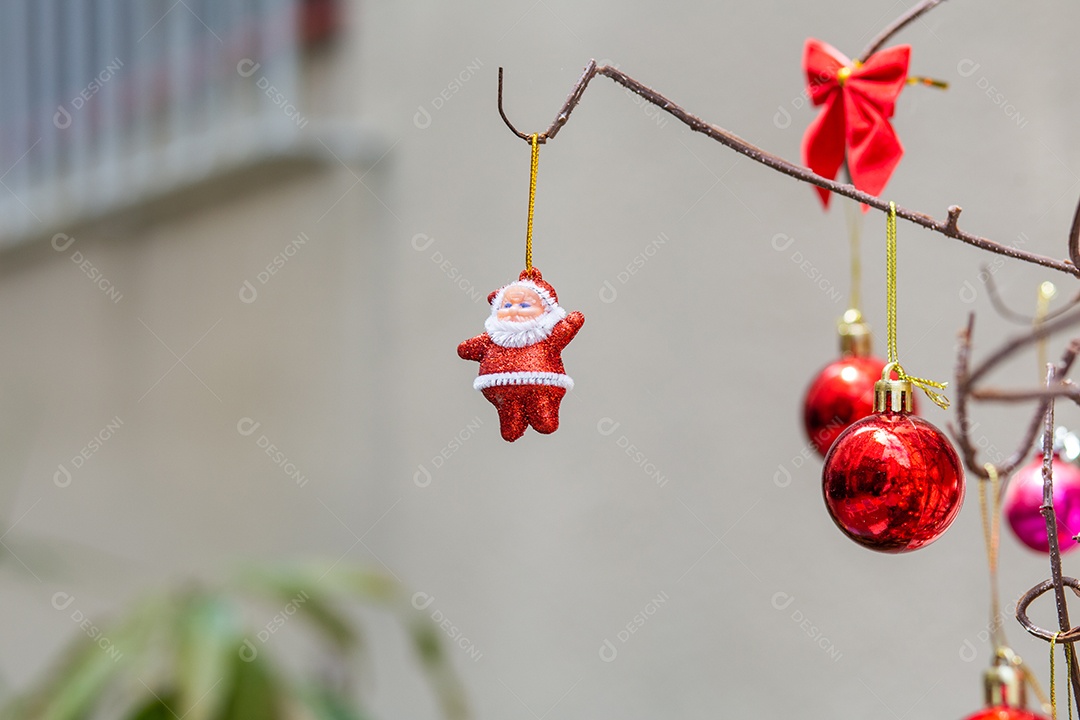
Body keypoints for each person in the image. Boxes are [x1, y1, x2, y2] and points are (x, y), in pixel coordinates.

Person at [458, 268, 585, 442]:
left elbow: (564, 331)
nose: (514, 310)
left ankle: (543, 411)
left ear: (546, 310)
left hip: (542, 385)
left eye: (524, 305)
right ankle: (511, 420)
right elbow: (467, 349)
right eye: (507, 305)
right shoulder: (492, 338)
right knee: (510, 415)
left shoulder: (546, 335)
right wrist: (466, 348)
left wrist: (571, 323)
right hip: (501, 391)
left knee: (544, 417)